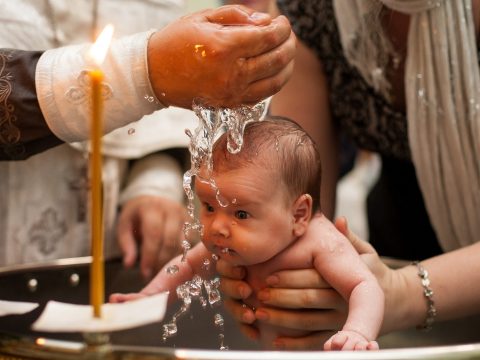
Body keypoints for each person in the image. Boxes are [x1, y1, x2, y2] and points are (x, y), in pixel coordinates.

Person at [217, 0, 480, 350]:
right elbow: (295, 197)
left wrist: (403, 294)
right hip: (399, 237)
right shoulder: (311, 9)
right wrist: (270, 272)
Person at [0, 3, 295, 275]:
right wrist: (144, 71)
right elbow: (151, 72)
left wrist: (154, 181)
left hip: (116, 254)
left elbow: (162, 108)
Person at [110, 117, 384, 351]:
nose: (217, 226)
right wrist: (149, 297)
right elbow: (186, 266)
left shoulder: (320, 242)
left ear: (299, 214)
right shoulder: (225, 240)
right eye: (208, 206)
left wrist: (357, 333)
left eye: (241, 214)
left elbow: (365, 285)